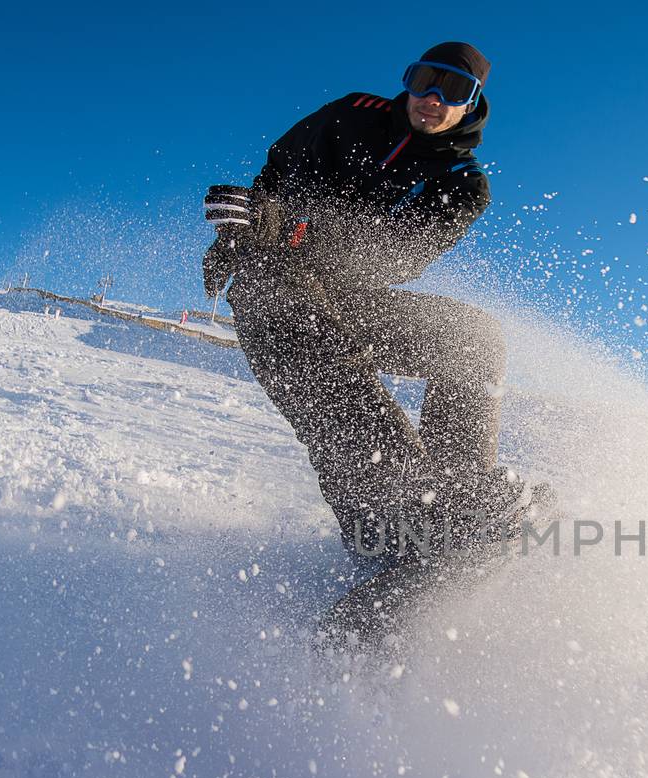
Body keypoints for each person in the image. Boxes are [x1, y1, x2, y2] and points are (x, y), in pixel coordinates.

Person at [201, 41, 527, 556]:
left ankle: (459, 495)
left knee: (474, 338)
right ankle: (394, 529)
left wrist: (289, 227)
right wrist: (247, 225)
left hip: (349, 294)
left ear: (473, 102)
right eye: (425, 80)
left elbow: (391, 259)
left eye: (454, 89)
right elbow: (279, 172)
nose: (434, 98)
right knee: (309, 340)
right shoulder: (352, 115)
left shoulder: (462, 184)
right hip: (277, 294)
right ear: (408, 80)